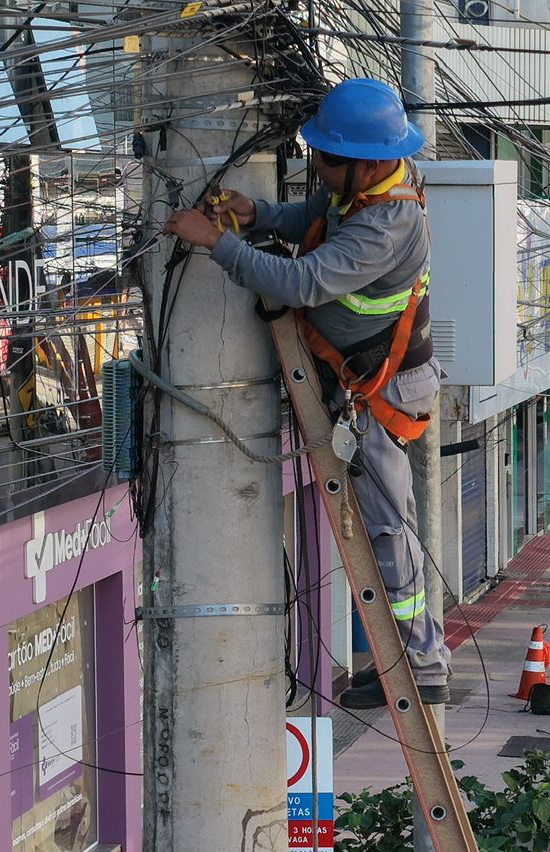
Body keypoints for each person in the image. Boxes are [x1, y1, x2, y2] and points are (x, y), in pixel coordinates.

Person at [162, 77, 451, 709]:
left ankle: (424, 662)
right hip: (365, 378)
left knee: (385, 529)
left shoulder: (389, 222)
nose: (316, 165)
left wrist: (217, 242)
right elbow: (312, 220)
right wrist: (257, 214)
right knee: (383, 526)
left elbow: (302, 281)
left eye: (326, 157)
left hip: (381, 390)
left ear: (368, 161)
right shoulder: (361, 189)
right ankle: (415, 652)